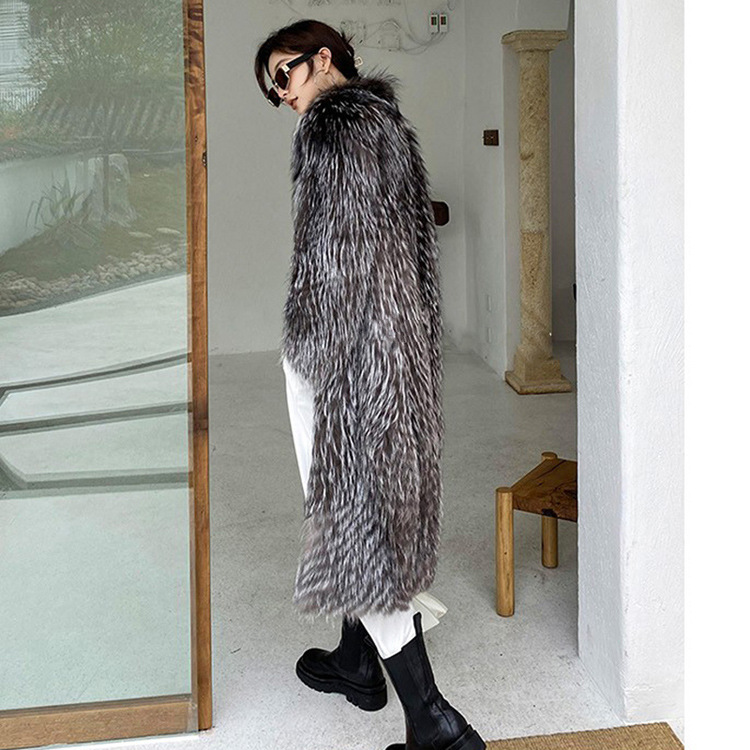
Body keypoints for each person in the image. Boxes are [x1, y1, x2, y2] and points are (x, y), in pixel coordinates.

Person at [255, 19, 486, 750]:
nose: (282, 94)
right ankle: (358, 660)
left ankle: (435, 723)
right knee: (367, 510)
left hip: (346, 363)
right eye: (271, 89)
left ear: (322, 59)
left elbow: (335, 260)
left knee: (355, 523)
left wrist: (306, 353)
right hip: (394, 355)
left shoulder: (331, 129)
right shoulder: (384, 124)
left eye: (284, 74)